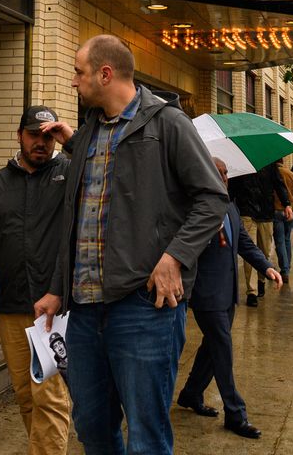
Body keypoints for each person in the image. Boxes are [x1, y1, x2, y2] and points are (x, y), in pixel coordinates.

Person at [34, 34, 227, 455]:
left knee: (146, 436)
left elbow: (212, 197)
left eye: (79, 72)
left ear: (106, 74)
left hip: (143, 310)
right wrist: (55, 288)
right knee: (93, 429)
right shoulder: (86, 134)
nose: (73, 81)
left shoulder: (168, 123)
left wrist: (174, 256)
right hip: (82, 313)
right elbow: (77, 220)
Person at [0, 104, 72, 455]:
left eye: (48, 136)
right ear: (19, 136)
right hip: (10, 305)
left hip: (53, 308)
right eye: (33, 135)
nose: (41, 143)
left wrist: (71, 140)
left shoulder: (69, 175)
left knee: (50, 397)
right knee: (26, 394)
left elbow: (106, 170)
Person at [177, 157, 281, 439]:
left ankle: (190, 393)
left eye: (225, 173)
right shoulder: (194, 207)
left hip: (228, 293)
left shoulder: (230, 205)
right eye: (217, 172)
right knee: (223, 350)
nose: (223, 177)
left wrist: (267, 266)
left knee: (212, 347)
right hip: (205, 293)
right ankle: (236, 414)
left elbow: (244, 243)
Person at [228, 164, 288, 306]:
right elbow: (232, 189)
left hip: (266, 213)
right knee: (249, 252)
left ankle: (262, 278)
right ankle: (252, 291)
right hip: (246, 212)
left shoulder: (269, 163)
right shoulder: (240, 165)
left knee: (265, 251)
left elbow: (278, 183)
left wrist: (287, 204)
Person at [273, 160, 293, 281]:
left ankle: (284, 270)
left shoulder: (272, 174)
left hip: (277, 209)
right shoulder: (291, 174)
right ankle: (287, 266)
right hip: (291, 210)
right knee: (287, 238)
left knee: (279, 241)